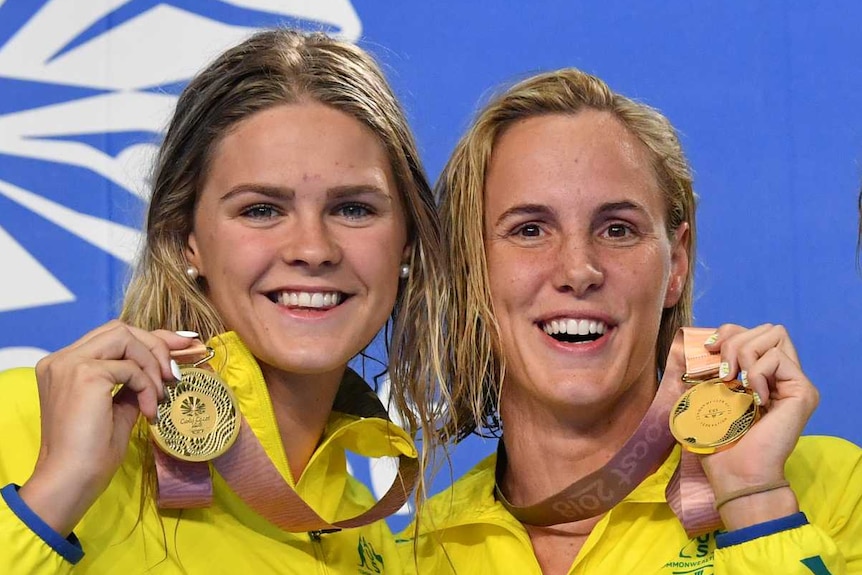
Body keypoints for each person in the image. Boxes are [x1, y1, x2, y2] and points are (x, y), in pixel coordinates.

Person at [0, 28, 445, 573]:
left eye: (353, 208)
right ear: (186, 237)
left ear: (406, 240)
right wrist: (52, 498)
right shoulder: (26, 423)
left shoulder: (374, 539)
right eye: (261, 210)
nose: (313, 248)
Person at [400, 68, 862, 573]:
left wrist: (756, 501)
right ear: (469, 268)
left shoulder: (833, 491)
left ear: (676, 264)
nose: (578, 270)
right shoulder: (418, 556)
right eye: (530, 230)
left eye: (618, 229)